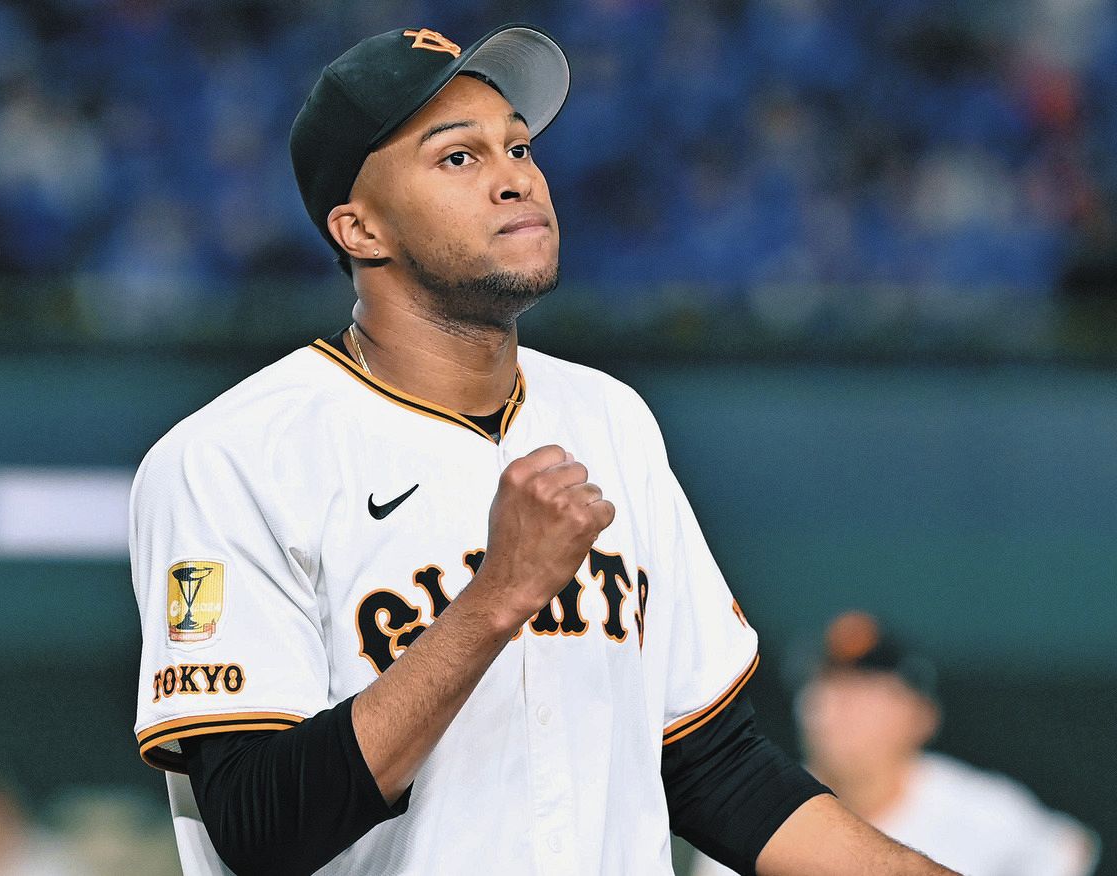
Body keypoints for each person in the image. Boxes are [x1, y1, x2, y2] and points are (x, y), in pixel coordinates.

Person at [129, 23, 960, 875]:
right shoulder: (231, 458)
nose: (516, 178)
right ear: (361, 229)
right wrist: (497, 596)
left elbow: (713, 769)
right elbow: (259, 825)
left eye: (519, 146)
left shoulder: (609, 419)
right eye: (459, 157)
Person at [692, 611, 1101, 876]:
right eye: (827, 687)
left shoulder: (982, 810)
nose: (841, 707)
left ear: (921, 716)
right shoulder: (752, 813)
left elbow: (1070, 851)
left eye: (867, 690)